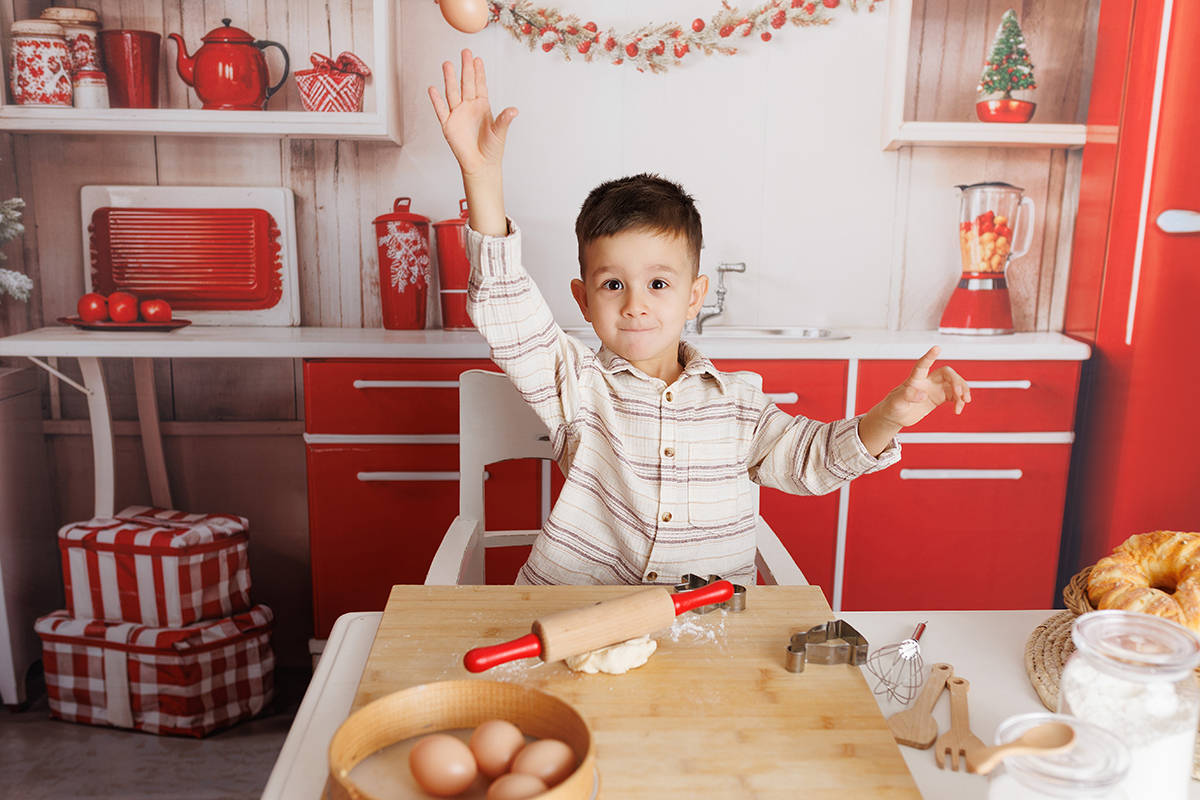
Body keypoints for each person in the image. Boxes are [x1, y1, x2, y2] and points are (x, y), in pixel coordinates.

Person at [430, 49, 971, 587]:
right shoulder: (574, 382)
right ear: (583, 300)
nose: (636, 304)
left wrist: (889, 417)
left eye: (659, 284)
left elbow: (813, 460)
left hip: (707, 631)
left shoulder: (739, 404)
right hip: (575, 612)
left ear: (695, 296)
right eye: (613, 284)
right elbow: (506, 306)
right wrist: (482, 178)